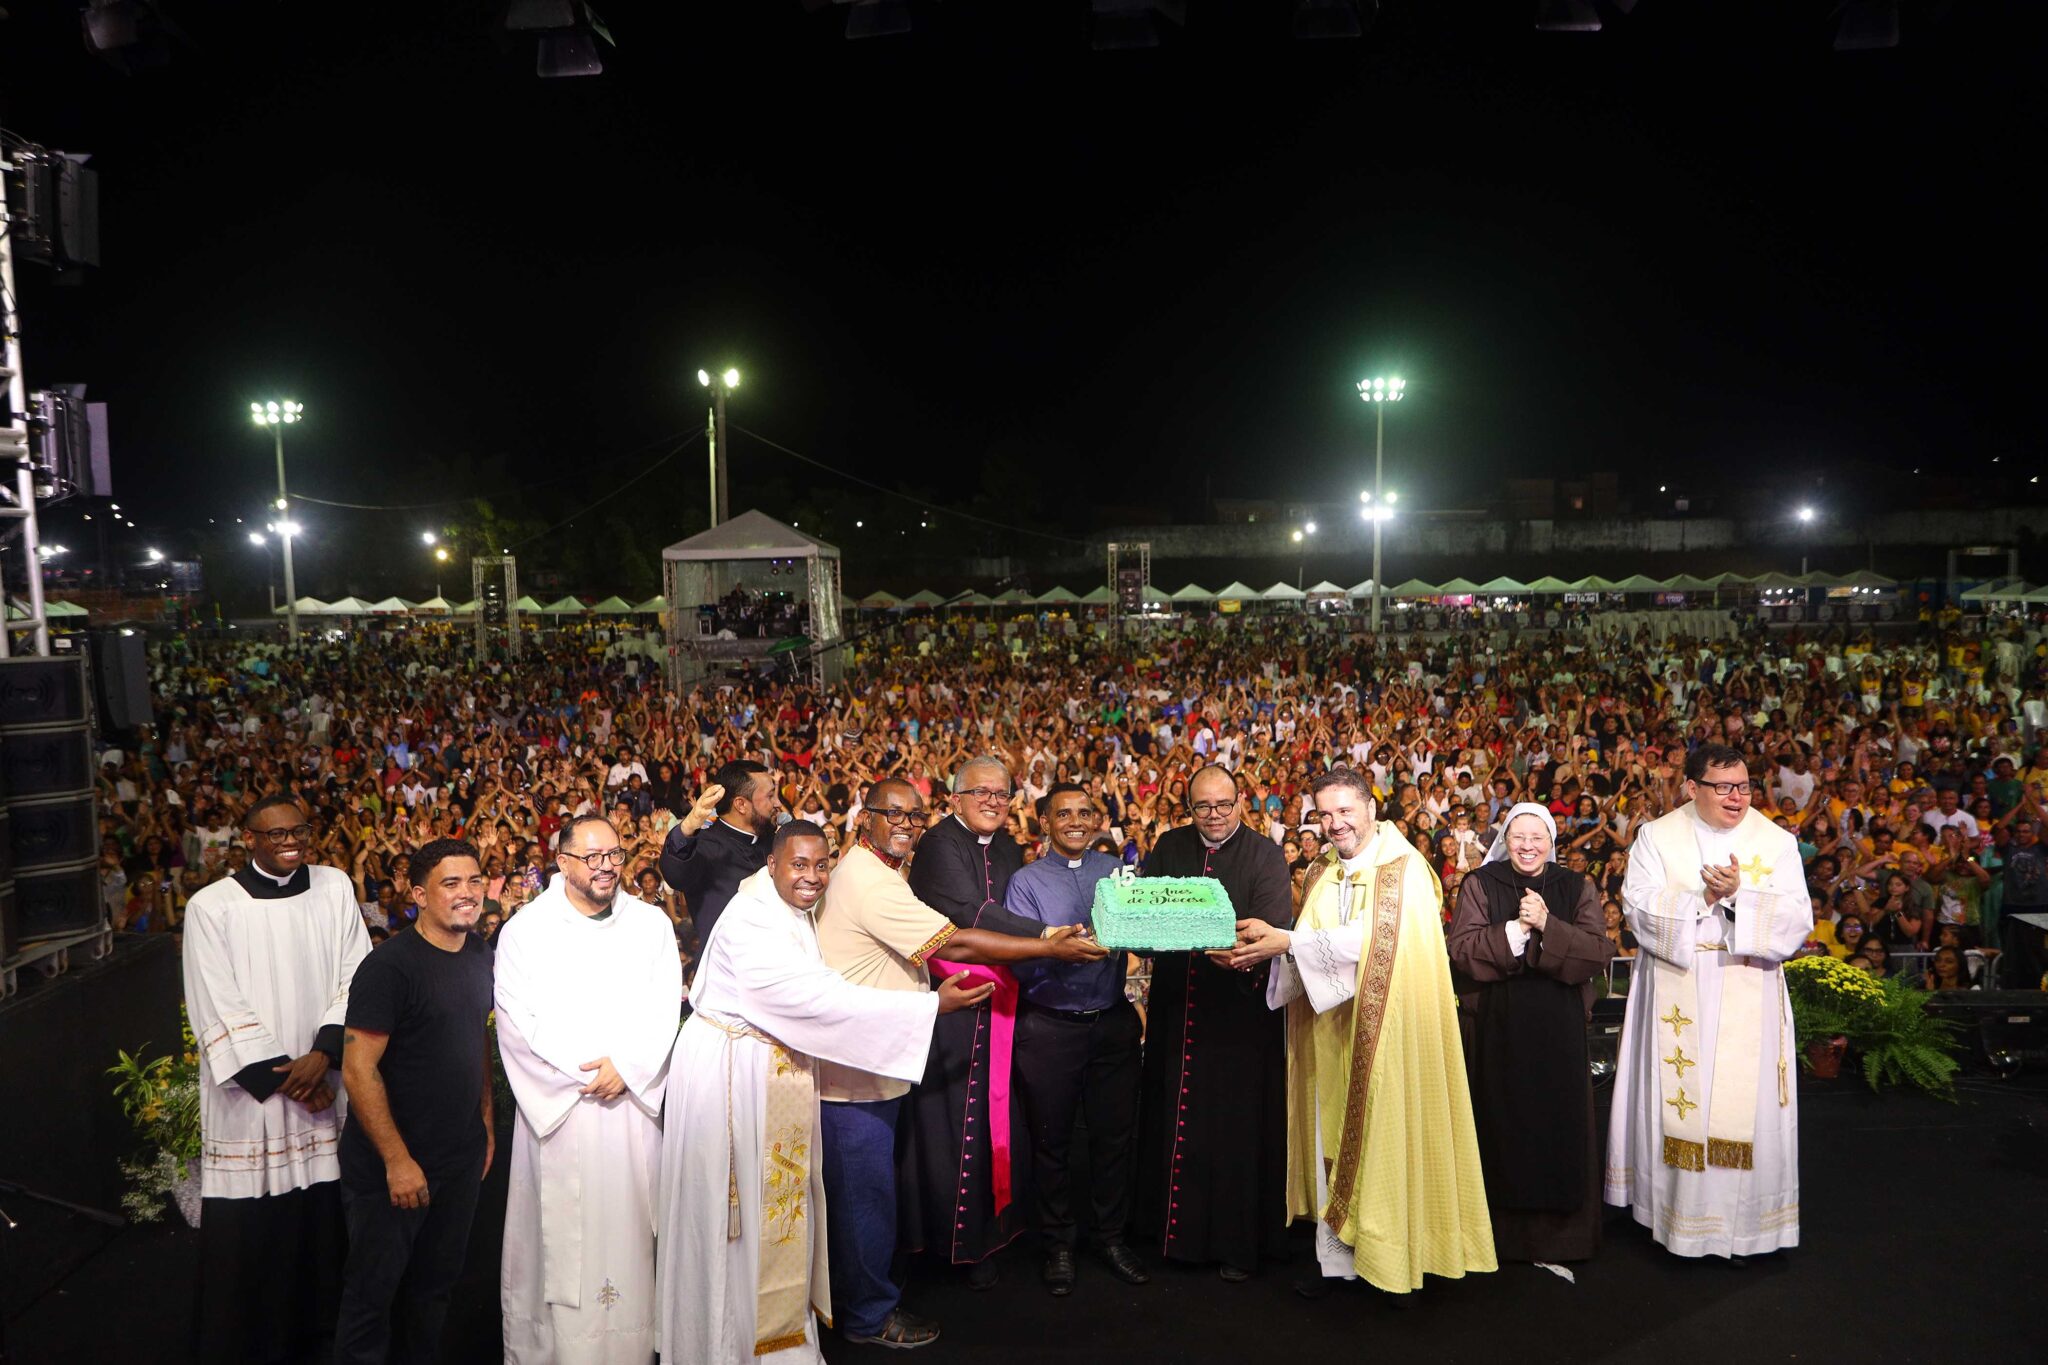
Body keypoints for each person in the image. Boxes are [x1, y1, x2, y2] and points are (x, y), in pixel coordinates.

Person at [655, 821, 994, 1363]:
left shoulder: (782, 907)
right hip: (733, 1075)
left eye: (821, 865)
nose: (812, 877)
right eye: (798, 864)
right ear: (771, 864)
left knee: (773, 1212)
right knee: (737, 1217)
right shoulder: (753, 921)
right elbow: (820, 1001)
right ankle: (727, 1342)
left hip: (765, 1064)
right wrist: (931, 1005)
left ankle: (769, 1336)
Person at [811, 778, 1108, 1350]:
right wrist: (1050, 945)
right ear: (864, 817)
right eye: (892, 814)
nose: (905, 824)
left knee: (870, 1187)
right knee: (862, 1193)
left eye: (912, 816)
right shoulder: (871, 881)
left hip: (877, 1051)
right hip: (857, 1064)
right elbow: (956, 944)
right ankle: (869, 1316)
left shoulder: (878, 871)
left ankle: (873, 1297)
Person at [1227, 768, 1495, 1299]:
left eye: (1345, 811)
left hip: (1390, 1029)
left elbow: (1379, 940)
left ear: (1371, 809)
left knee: (1385, 1136)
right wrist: (1272, 946)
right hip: (1333, 1028)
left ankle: (1392, 1260)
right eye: (1325, 814)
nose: (1335, 824)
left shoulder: (1404, 869)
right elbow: (1312, 938)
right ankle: (1339, 1264)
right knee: (1333, 1138)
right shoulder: (1320, 870)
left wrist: (1285, 941)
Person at [182, 794, 371, 1365]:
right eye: (276, 834)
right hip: (254, 1099)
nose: (290, 841)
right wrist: (293, 1077)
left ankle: (326, 1338)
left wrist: (325, 1053)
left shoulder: (334, 887)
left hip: (323, 1077)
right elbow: (215, 1000)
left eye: (299, 831)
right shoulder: (212, 906)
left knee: (326, 1220)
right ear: (249, 839)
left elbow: (357, 973)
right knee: (255, 1233)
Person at [1604, 744, 1813, 1260]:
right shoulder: (1657, 837)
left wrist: (1741, 896)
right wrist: (1703, 899)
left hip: (1749, 984)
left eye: (1743, 786)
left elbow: (1797, 920)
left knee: (1745, 1105)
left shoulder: (1775, 842)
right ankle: (1674, 1216)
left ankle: (1745, 1230)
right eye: (1723, 787)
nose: (1736, 797)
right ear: (1692, 788)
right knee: (1681, 1103)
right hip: (1680, 983)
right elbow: (1637, 907)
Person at [494, 815, 683, 1365]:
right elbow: (517, 1021)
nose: (607, 867)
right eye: (593, 857)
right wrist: (586, 1077)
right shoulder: (526, 930)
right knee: (560, 1240)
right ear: (562, 861)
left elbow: (664, 1006)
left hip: (630, 1109)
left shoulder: (650, 924)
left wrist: (628, 1067)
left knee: (633, 1231)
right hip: (563, 1114)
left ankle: (635, 1349)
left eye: (615, 855)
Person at [335, 839, 498, 1365]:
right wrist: (396, 1160)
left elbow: (476, 1039)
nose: (467, 892)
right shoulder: (389, 967)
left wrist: (485, 1123)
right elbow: (358, 1069)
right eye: (451, 883)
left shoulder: (480, 955)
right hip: (394, 1167)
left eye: (474, 880)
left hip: (459, 1158)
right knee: (372, 1296)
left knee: (434, 1291)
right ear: (419, 894)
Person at [1133, 763, 1294, 1282]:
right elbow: (1143, 919)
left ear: (1241, 801)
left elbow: (1270, 930)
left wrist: (1226, 945)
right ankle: (1169, 1237)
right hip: (1176, 1009)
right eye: (1203, 806)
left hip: (1238, 1018)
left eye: (1224, 804)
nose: (1215, 815)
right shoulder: (1169, 846)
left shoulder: (1265, 855)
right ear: (1189, 808)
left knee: (1233, 1129)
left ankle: (1234, 1245)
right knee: (1171, 1117)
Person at [899, 756, 1043, 1286]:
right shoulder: (939, 843)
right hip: (952, 1002)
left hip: (1001, 997)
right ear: (955, 799)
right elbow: (970, 912)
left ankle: (989, 1236)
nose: (992, 801)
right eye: (981, 792)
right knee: (950, 1121)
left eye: (1001, 794)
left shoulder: (1007, 846)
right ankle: (952, 1244)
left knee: (993, 1119)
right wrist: (1046, 936)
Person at [1447, 802, 1608, 1264]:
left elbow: (1597, 952)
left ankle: (1562, 1240)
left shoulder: (1576, 886)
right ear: (1506, 840)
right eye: (1518, 837)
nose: (1527, 846)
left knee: (1558, 1131)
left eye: (1537, 838)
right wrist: (1517, 929)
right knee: (1501, 1128)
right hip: (1498, 1027)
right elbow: (1462, 949)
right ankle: (1497, 1239)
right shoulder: (1481, 883)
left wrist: (1547, 925)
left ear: (1551, 842)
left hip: (1559, 1030)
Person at [1005, 783, 1149, 1295]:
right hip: (1050, 1028)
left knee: (1114, 1138)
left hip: (1110, 1023)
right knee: (1052, 1141)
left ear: (1096, 821)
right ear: (1045, 822)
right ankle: (1058, 1244)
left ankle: (1110, 1238)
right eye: (1063, 813)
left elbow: (1139, 935)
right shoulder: (1025, 881)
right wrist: (1057, 950)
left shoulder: (1116, 873)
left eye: (1084, 812)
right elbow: (1018, 957)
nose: (1075, 821)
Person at [658, 760, 777, 954]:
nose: (777, 803)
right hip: (726, 964)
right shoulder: (704, 845)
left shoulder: (773, 840)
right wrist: (687, 827)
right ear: (741, 804)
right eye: (770, 796)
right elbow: (675, 874)